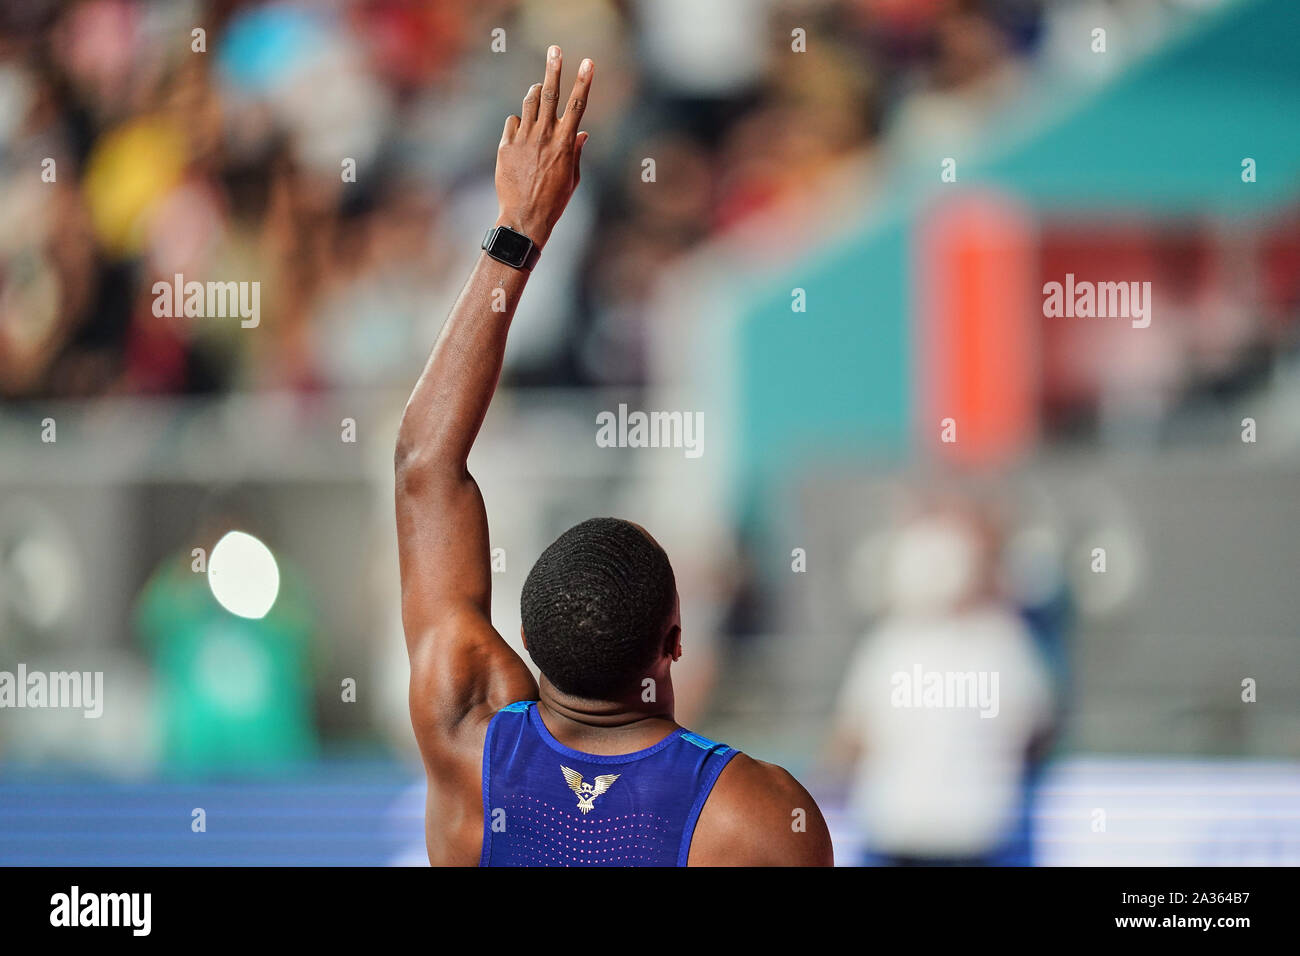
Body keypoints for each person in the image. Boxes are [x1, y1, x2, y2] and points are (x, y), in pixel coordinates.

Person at [394, 47, 831, 867]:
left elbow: (426, 462)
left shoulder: (465, 740)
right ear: (675, 642)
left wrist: (519, 227)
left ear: (519, 641)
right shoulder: (756, 817)